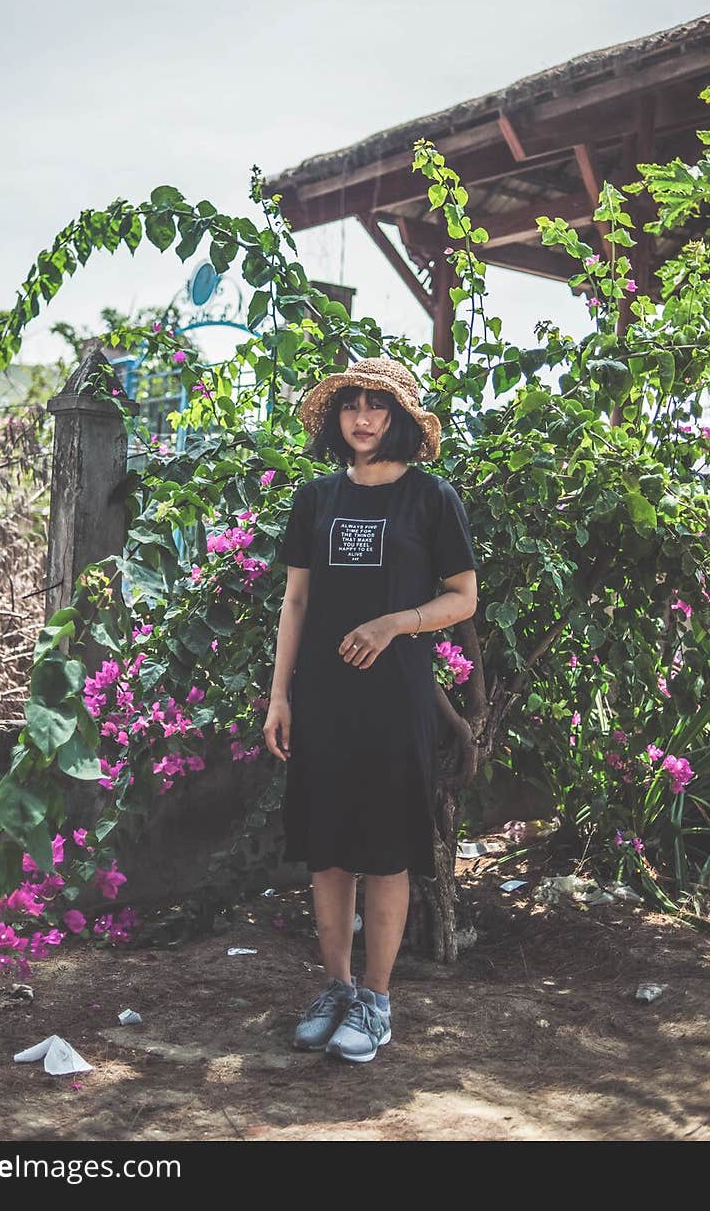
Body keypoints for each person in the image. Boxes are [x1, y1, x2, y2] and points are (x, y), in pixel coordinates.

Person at [264, 357, 479, 1064]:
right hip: (323, 698)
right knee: (328, 853)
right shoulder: (316, 499)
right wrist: (280, 695)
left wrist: (396, 623)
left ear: (400, 421)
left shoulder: (430, 498)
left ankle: (377, 1003)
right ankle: (335, 989)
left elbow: (463, 597)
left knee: (385, 855)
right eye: (351, 406)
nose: (363, 418)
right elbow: (295, 602)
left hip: (395, 701)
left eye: (377, 408)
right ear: (336, 419)